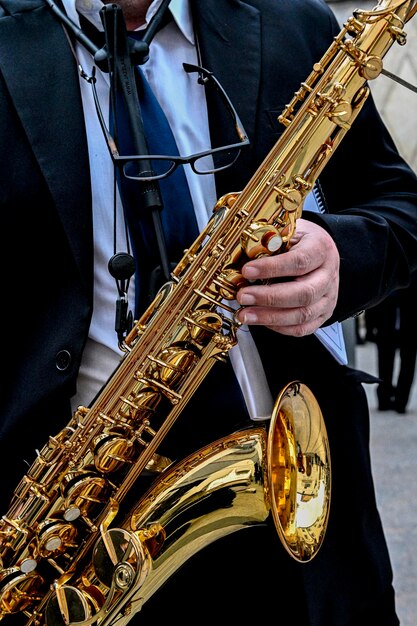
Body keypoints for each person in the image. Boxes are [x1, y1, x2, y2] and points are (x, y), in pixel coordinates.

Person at [1, 0, 417, 625]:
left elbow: (399, 206)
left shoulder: (292, 22)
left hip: (296, 504)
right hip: (77, 538)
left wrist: (340, 259)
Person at [370, 271, 417, 413]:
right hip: (389, 311)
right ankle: (386, 398)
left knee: (405, 358)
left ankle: (400, 400)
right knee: (387, 356)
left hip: (407, 312)